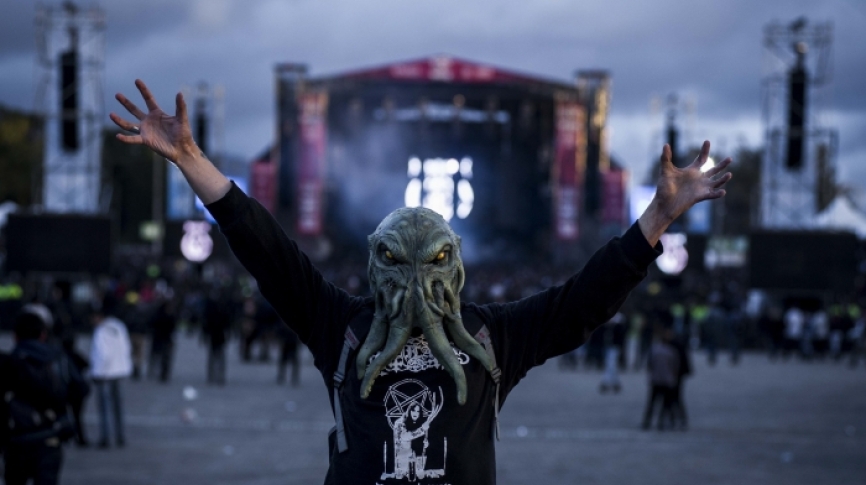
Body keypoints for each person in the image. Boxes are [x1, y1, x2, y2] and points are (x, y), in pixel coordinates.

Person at [110, 79, 731, 484]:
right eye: (396, 261)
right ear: (377, 263)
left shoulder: (492, 338)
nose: (414, 280)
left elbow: (584, 301)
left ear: (453, 265)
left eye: (430, 262)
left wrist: (657, 216)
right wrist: (191, 160)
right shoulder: (344, 327)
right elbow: (265, 249)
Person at [1, 309, 88, 485]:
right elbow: (81, 389)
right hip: (51, 435)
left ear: (15, 336)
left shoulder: (9, 361)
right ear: (43, 335)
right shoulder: (59, 359)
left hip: (16, 439)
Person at [90, 295, 133, 449]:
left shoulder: (101, 331)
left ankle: (106, 436)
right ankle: (120, 435)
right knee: (118, 406)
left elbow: (102, 354)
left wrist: (96, 373)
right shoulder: (119, 326)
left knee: (104, 407)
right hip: (119, 370)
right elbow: (127, 348)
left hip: (104, 373)